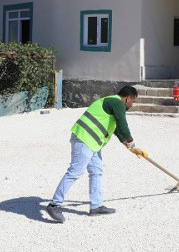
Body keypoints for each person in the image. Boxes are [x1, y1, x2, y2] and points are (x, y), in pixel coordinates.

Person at [45, 86, 147, 223]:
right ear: (128, 98)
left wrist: (132, 148)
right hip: (84, 139)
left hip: (92, 142)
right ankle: (54, 204)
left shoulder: (111, 103)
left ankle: (96, 206)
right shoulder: (117, 103)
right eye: (132, 102)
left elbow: (118, 130)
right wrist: (132, 145)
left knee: (96, 170)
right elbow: (123, 125)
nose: (132, 105)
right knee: (75, 171)